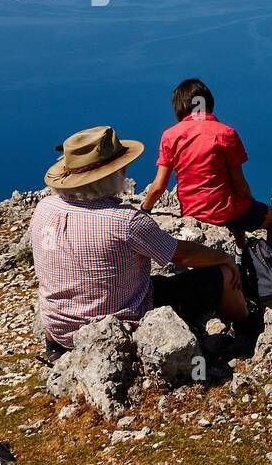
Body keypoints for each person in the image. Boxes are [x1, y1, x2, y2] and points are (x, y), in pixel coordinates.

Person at [30, 125, 250, 352]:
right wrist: (224, 258)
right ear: (115, 173)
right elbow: (182, 255)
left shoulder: (44, 208)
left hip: (59, 331)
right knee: (221, 276)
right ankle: (249, 335)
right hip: (115, 331)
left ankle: (55, 352)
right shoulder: (125, 221)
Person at [140, 78, 272, 252]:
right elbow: (239, 185)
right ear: (208, 103)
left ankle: (241, 250)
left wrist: (144, 210)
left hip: (192, 211)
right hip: (225, 212)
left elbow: (158, 187)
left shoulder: (170, 136)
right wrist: (252, 204)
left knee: (237, 208)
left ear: (180, 108)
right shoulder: (226, 133)